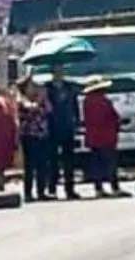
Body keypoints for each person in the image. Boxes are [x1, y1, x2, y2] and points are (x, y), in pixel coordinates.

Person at [82, 77, 126, 197]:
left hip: (93, 137)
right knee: (111, 163)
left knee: (97, 164)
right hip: (107, 137)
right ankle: (115, 188)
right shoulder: (104, 101)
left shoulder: (86, 101)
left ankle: (98, 188)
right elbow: (113, 117)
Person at [45, 64, 81, 200]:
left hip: (67, 126)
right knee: (52, 160)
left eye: (62, 71)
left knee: (69, 161)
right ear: (52, 73)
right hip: (52, 127)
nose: (60, 73)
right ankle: (52, 188)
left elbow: (75, 106)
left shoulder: (69, 87)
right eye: (57, 71)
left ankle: (70, 189)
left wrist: (76, 122)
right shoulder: (47, 88)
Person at [16, 77, 53, 202]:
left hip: (42, 135)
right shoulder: (21, 99)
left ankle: (41, 191)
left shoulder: (42, 99)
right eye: (32, 86)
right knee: (30, 166)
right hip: (29, 135)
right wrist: (40, 98)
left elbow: (49, 109)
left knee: (42, 164)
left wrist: (44, 98)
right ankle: (28, 193)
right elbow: (32, 107)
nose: (35, 88)